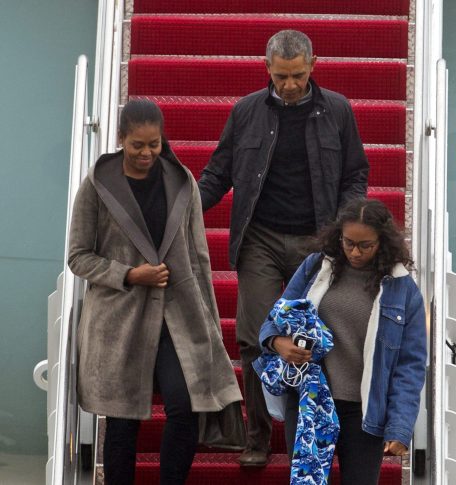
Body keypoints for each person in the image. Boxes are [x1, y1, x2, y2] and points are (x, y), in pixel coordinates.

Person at [197, 29, 369, 466]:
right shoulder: (245, 113)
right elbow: (218, 175)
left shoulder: (339, 111)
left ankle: (313, 433)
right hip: (261, 239)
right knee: (257, 336)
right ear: (267, 68)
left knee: (316, 340)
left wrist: (343, 227)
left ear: (313, 65)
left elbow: (355, 175)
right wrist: (183, 207)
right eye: (281, 77)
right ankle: (257, 436)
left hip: (319, 240)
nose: (289, 84)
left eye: (296, 75)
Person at [68, 99, 243, 484]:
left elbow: (198, 258)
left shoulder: (182, 183)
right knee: (123, 419)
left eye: (154, 144)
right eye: (137, 146)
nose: (147, 153)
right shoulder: (97, 185)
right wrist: (130, 274)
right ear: (120, 140)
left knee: (185, 406)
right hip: (119, 318)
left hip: (176, 314)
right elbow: (78, 257)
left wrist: (209, 320)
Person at [260, 198, 427, 485]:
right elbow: (275, 318)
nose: (355, 252)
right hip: (309, 398)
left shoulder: (403, 291)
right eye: (348, 242)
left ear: (382, 242)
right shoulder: (315, 267)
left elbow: (409, 367)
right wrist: (277, 343)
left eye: (365, 245)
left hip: (363, 410)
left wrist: (400, 428)